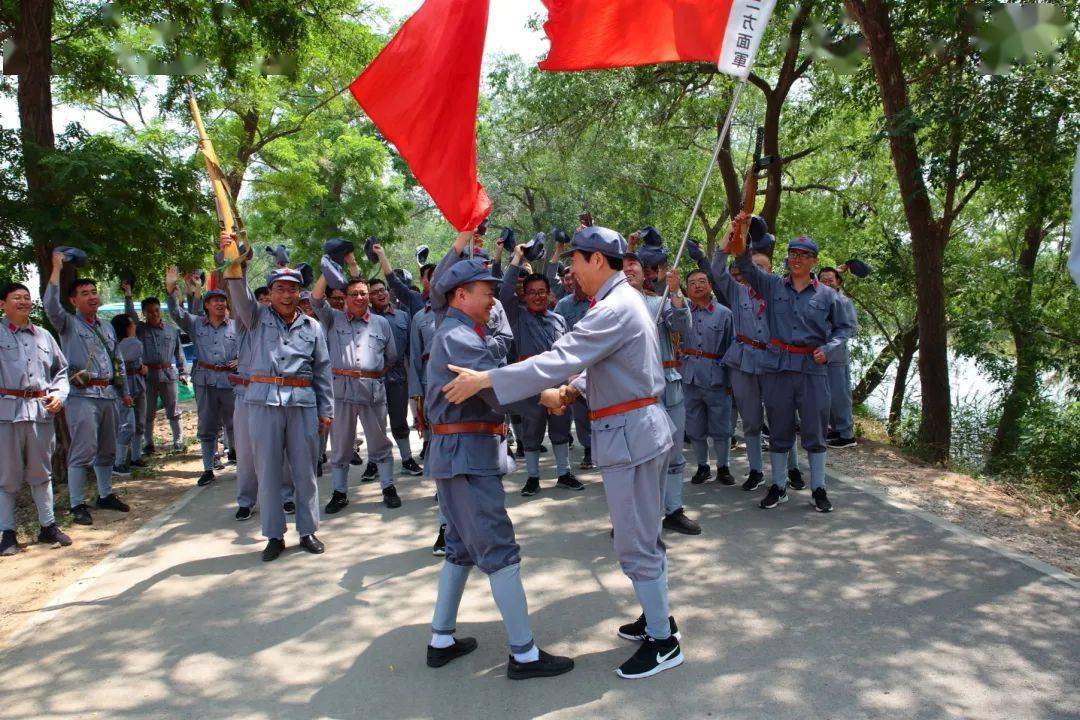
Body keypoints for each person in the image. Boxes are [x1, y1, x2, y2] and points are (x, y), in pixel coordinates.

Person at [444, 226, 685, 680]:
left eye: (575, 261)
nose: (568, 271)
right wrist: (572, 391)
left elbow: (559, 357)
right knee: (643, 534)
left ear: (597, 261)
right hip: (635, 430)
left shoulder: (612, 308)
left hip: (630, 435)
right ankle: (656, 616)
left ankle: (663, 640)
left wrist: (488, 379)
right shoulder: (620, 303)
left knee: (634, 541)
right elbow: (606, 366)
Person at [423, 234, 574, 680]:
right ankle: (524, 655)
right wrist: (545, 397)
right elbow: (493, 389)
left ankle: (441, 638)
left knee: (459, 548)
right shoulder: (458, 338)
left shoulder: (462, 330)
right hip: (466, 455)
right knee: (499, 548)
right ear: (461, 295)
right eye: (488, 293)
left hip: (463, 454)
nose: (495, 301)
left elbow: (494, 377)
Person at [225, 242, 334, 562]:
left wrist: (326, 409)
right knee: (269, 473)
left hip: (302, 404)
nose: (287, 295)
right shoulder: (254, 318)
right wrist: (236, 262)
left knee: (305, 472)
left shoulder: (312, 327)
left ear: (301, 294)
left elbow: (323, 370)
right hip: (264, 404)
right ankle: (274, 535)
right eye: (280, 289)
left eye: (293, 289)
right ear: (269, 293)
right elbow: (239, 291)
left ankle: (308, 530)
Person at [734, 232, 855, 513]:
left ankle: (819, 488)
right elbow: (746, 266)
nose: (797, 259)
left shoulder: (827, 296)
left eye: (804, 255)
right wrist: (743, 235)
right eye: (793, 254)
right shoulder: (772, 285)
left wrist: (829, 349)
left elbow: (845, 328)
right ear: (787, 258)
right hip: (777, 366)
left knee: (814, 429)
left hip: (812, 368)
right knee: (778, 427)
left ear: (814, 261)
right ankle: (778, 486)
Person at [45, 252, 132, 525]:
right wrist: (57, 267)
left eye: (94, 292)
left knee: (107, 448)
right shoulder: (67, 323)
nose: (92, 296)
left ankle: (105, 494)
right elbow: (50, 305)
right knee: (83, 450)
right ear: (73, 300)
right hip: (82, 396)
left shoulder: (106, 326)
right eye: (85, 293)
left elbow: (118, 361)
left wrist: (124, 390)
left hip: (108, 394)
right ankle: (76, 503)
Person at [310, 273, 402, 512]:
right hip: (340, 392)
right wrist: (325, 271)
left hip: (372, 392)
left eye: (363, 293)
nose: (359, 297)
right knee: (340, 445)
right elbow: (316, 300)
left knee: (379, 442)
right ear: (345, 298)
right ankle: (340, 493)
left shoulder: (381, 323)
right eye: (354, 294)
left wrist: (370, 374)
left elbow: (391, 356)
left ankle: (388, 487)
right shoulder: (332, 319)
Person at [624, 248, 698, 536]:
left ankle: (674, 509)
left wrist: (676, 292)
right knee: (640, 457)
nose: (629, 269)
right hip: (633, 389)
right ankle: (638, 516)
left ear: (645, 273)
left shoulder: (660, 301)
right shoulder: (608, 307)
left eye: (634, 265)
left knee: (674, 452)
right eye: (624, 266)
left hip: (669, 385)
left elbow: (681, 324)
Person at [500, 244, 582, 496]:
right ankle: (533, 477)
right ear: (524, 295)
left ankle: (563, 473)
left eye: (542, 292)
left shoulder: (558, 319)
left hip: (557, 380)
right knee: (531, 429)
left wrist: (571, 382)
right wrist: (517, 258)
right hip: (530, 381)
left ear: (549, 294)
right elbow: (504, 292)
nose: (537, 296)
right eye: (532, 292)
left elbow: (568, 351)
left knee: (560, 428)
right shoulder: (516, 315)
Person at [0, 282, 71, 555]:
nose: (23, 301)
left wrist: (59, 395)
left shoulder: (43, 336)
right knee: (7, 476)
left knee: (41, 473)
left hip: (40, 412)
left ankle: (48, 526)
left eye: (26, 297)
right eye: (16, 297)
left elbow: (61, 371)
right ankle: (7, 533)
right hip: (7, 415)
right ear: (2, 304)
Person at [166, 269, 239, 487]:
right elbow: (176, 313)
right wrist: (171, 289)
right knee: (207, 425)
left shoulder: (236, 326)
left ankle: (241, 463)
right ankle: (208, 468)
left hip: (230, 381)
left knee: (236, 423)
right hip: (205, 381)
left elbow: (250, 348)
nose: (219, 304)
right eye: (214, 301)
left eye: (222, 301)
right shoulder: (196, 324)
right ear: (206, 305)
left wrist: (241, 360)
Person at [680, 269, 736, 487]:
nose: (697, 286)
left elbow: (732, 347)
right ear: (687, 288)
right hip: (689, 376)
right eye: (692, 282)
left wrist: (729, 378)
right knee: (694, 426)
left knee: (721, 427)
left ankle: (723, 467)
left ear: (710, 286)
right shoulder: (683, 312)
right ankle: (703, 466)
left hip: (717, 377)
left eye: (702, 281)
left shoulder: (725, 314)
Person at [366, 276, 423, 478]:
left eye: (383, 290)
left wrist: (415, 380)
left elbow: (411, 350)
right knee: (375, 425)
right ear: (368, 297)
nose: (380, 294)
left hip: (398, 377)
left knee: (399, 420)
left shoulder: (402, 316)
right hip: (372, 379)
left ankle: (407, 459)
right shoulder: (364, 318)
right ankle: (373, 463)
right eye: (374, 292)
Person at [122, 285, 185, 455]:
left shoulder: (172, 331)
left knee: (173, 410)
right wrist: (128, 295)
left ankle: (178, 440)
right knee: (148, 412)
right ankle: (149, 443)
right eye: (149, 312)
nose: (154, 314)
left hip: (168, 375)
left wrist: (183, 371)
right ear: (144, 313)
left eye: (156, 310)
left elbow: (179, 352)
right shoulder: (140, 330)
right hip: (147, 376)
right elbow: (130, 315)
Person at [552, 267, 594, 470]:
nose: (576, 283)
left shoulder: (599, 303)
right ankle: (588, 449)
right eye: (572, 280)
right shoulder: (563, 305)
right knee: (581, 413)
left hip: (598, 364)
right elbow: (559, 338)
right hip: (575, 367)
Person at [818, 267, 858, 449]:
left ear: (838, 282)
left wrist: (830, 346)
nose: (826, 283)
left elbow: (850, 329)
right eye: (823, 280)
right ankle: (836, 428)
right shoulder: (817, 300)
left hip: (836, 355)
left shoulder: (843, 301)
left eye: (830, 280)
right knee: (827, 395)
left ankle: (847, 434)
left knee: (840, 394)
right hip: (820, 354)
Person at [110, 313, 146, 476]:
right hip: (124, 385)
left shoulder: (125, 343)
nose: (135, 326)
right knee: (127, 424)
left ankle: (136, 457)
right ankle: (118, 462)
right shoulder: (129, 343)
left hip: (137, 383)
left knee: (139, 422)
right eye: (132, 324)